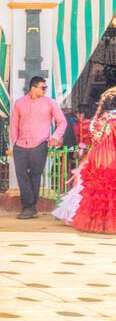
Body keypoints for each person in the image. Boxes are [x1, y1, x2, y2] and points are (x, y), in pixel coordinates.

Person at [54, 87, 116, 233]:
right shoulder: (114, 121)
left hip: (96, 157)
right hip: (111, 156)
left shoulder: (98, 120)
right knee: (110, 190)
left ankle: (94, 223)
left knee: (95, 191)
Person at [8, 76, 66, 220]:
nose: (45, 90)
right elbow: (14, 124)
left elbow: (62, 122)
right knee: (21, 175)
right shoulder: (19, 103)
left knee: (35, 175)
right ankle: (30, 206)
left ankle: (29, 207)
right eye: (43, 87)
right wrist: (14, 141)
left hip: (40, 144)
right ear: (33, 88)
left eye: (45, 87)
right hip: (20, 145)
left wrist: (55, 137)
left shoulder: (50, 103)